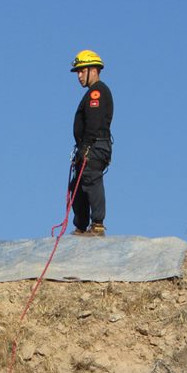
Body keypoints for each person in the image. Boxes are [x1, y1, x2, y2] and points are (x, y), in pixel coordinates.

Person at [69, 49, 114, 236]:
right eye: (78, 72)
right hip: (88, 147)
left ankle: (97, 225)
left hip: (94, 146)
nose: (79, 76)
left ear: (93, 70)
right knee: (77, 186)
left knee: (91, 179)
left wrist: (86, 147)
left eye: (82, 71)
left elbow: (94, 122)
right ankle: (81, 226)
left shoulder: (97, 92)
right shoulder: (92, 93)